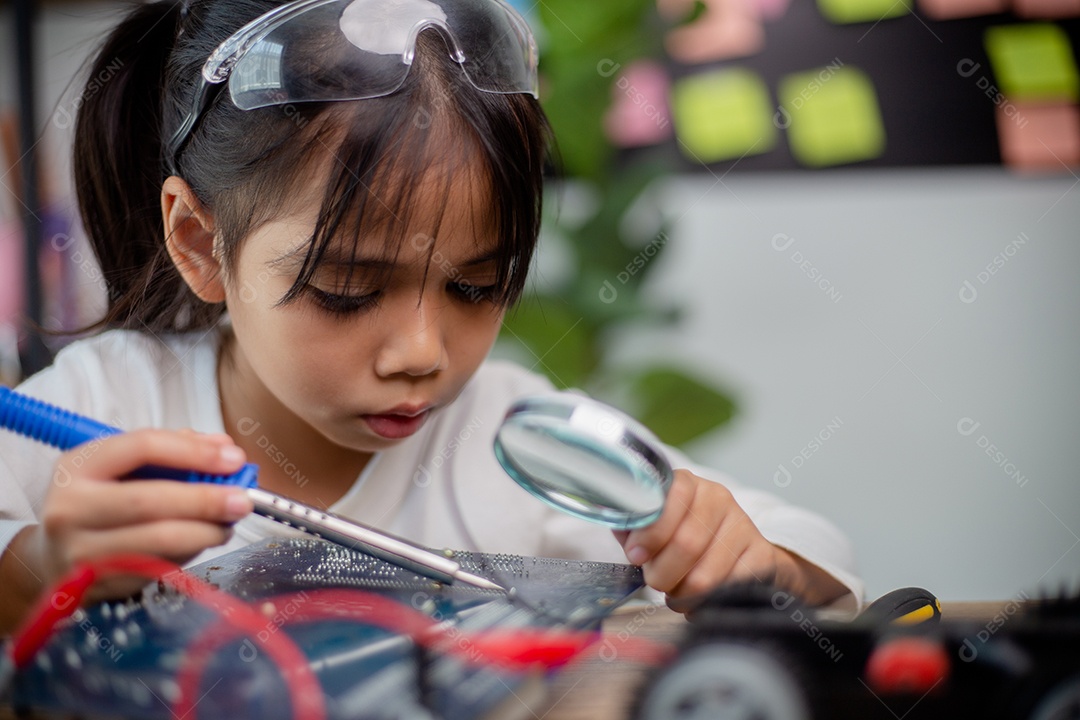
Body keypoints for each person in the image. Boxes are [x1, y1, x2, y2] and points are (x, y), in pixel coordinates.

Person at [0, 0, 862, 634]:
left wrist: (745, 560)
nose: (422, 354)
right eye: (347, 291)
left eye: (477, 287)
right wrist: (41, 568)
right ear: (198, 242)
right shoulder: (107, 402)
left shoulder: (514, 440)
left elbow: (814, 557)